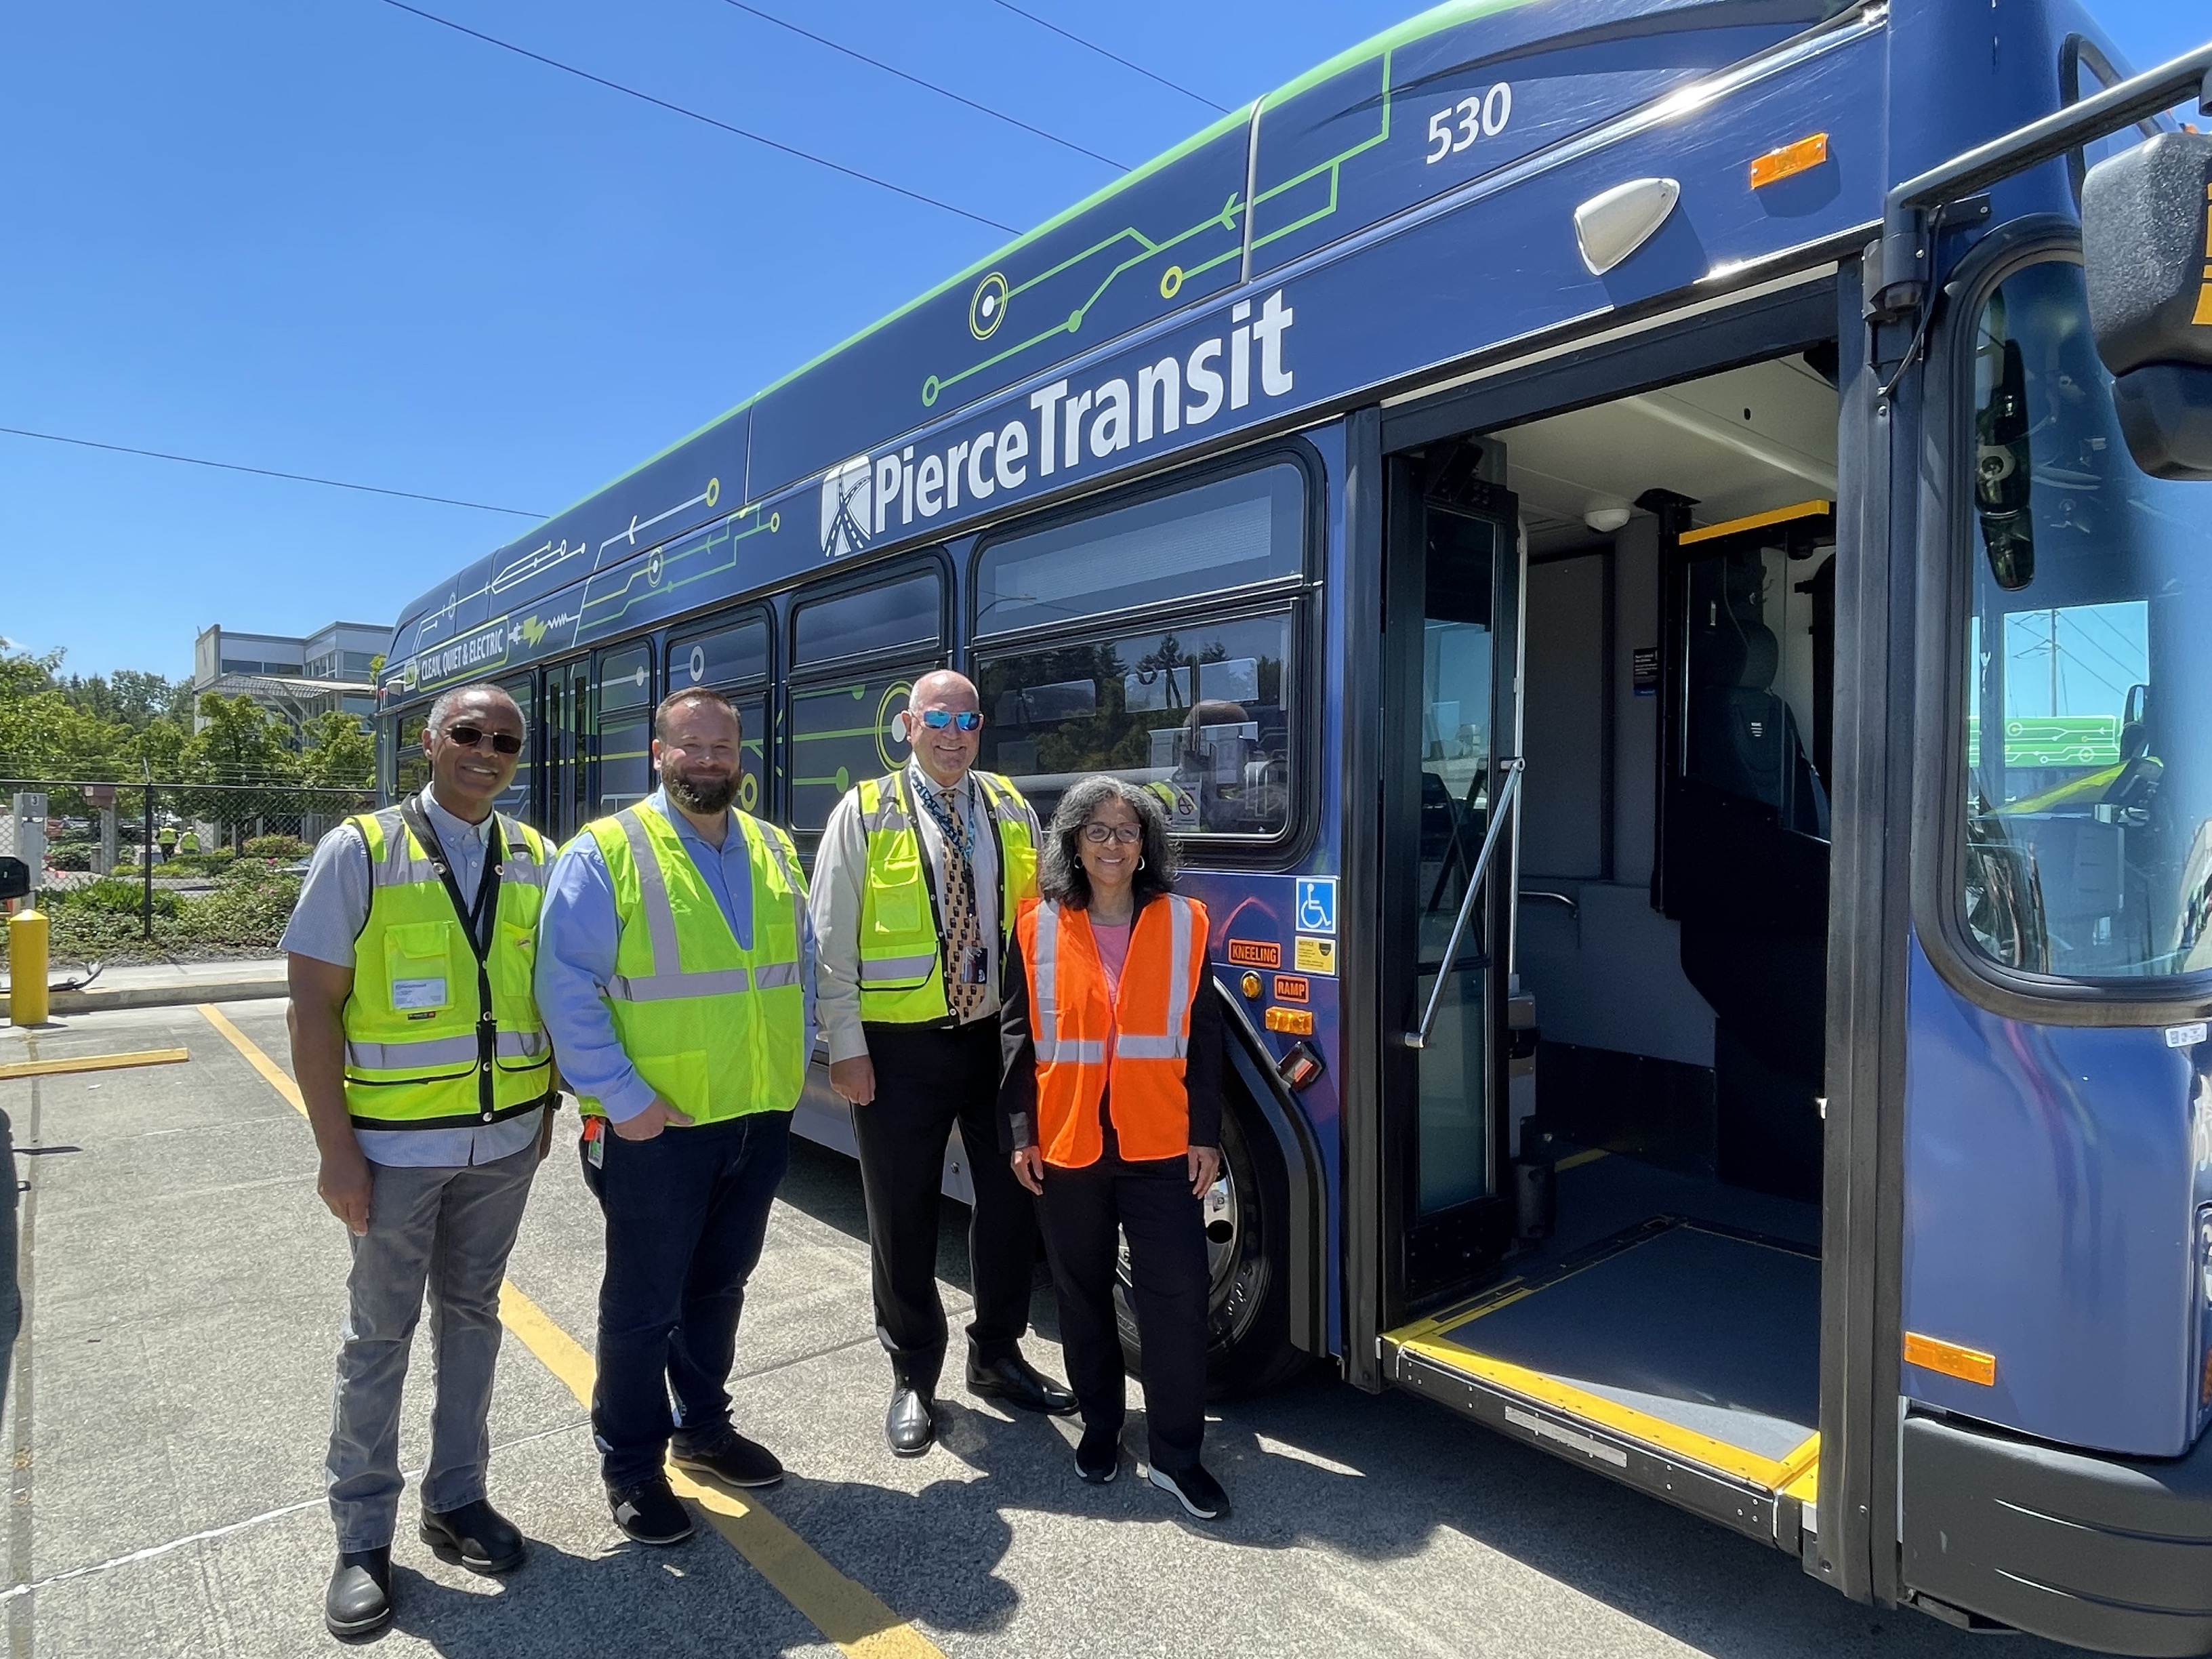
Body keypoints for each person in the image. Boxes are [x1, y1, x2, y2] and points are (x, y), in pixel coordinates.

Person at [283, 681, 556, 1639]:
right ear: (431, 744)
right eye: (470, 734)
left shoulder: (534, 856)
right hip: (393, 1151)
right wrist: (335, 1152)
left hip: (505, 1143)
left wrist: (547, 1099)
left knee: (474, 1320)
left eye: (506, 740)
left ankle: (458, 1498)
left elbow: (549, 989)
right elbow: (311, 1006)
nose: (488, 751)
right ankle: (362, 1538)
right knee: (379, 1337)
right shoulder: (360, 850)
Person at [534, 687, 815, 1547]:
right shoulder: (606, 851)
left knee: (718, 1289)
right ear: (657, 754)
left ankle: (704, 1427)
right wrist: (623, 1101)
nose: (707, 760)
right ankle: (631, 1464)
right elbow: (564, 985)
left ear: (741, 755)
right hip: (656, 1125)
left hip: (758, 1114)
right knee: (642, 1305)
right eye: (689, 746)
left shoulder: (771, 848)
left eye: (722, 746)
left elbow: (796, 965)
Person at [813, 670, 1075, 1456]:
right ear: (908, 727)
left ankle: (997, 1354)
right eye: (937, 719)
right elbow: (830, 943)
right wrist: (847, 1050)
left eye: (966, 719)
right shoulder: (863, 812)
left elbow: (1043, 921)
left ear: (981, 725)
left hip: (997, 1041)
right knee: (903, 1214)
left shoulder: (1011, 808)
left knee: (1011, 1203)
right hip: (899, 1050)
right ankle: (913, 1377)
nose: (952, 734)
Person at [999, 775, 1231, 1520]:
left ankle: (1176, 1454)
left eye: (1127, 831)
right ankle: (1100, 1428)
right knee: (1081, 1294)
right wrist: (1019, 1133)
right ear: (1071, 841)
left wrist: (1206, 1134)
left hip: (1161, 1143)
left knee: (1177, 1300)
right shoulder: (1035, 925)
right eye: (1096, 830)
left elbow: (1205, 1038)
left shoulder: (1185, 921)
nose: (1113, 844)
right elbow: (1015, 1038)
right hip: (1067, 1145)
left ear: (1147, 845)